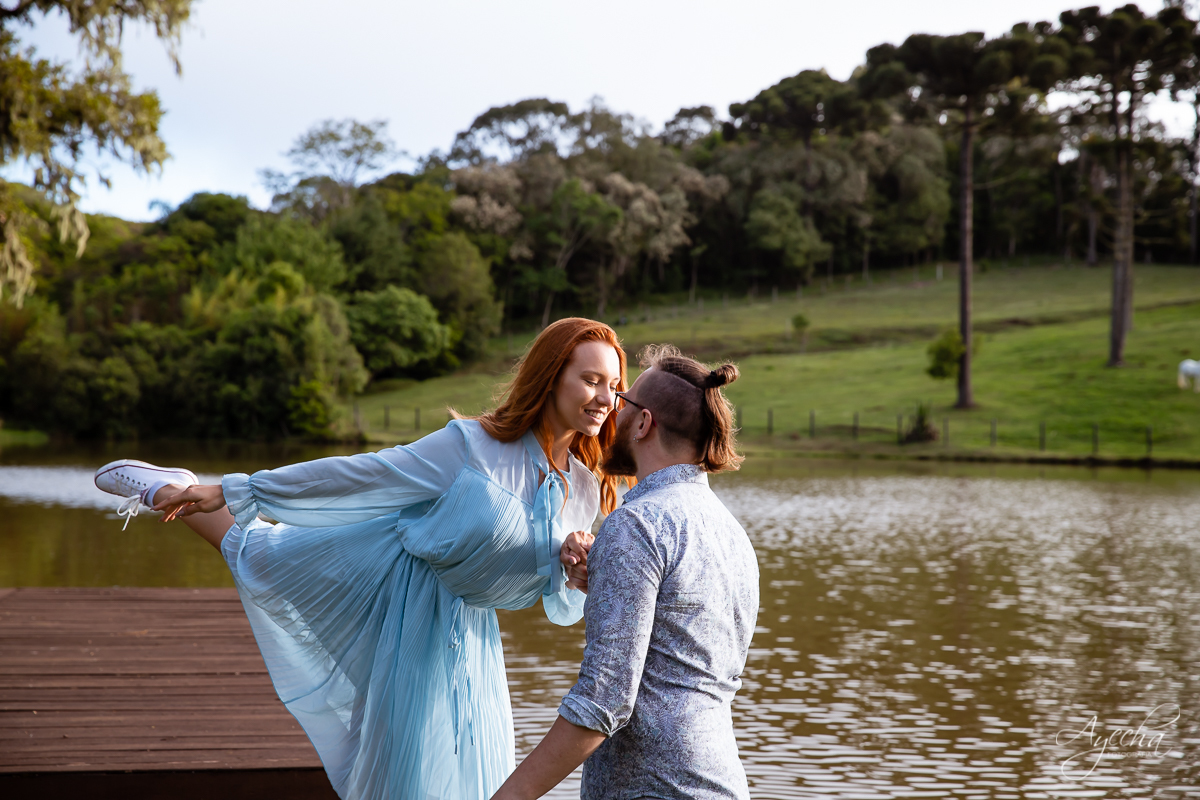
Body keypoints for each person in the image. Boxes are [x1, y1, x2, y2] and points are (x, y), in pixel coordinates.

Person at [91, 318, 627, 800]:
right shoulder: (472, 447)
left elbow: (555, 604)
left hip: (472, 639)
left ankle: (195, 493)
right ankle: (180, 490)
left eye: (612, 384)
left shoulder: (584, 489)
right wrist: (239, 490)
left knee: (473, 775)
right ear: (552, 376)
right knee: (262, 553)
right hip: (400, 594)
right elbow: (361, 474)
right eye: (590, 379)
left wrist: (571, 568)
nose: (604, 397)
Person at [490, 344, 760, 800]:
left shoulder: (637, 525)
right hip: (722, 781)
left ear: (642, 422)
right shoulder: (732, 533)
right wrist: (607, 578)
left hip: (653, 787)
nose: (611, 411)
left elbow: (605, 699)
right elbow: (685, 652)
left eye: (624, 400)